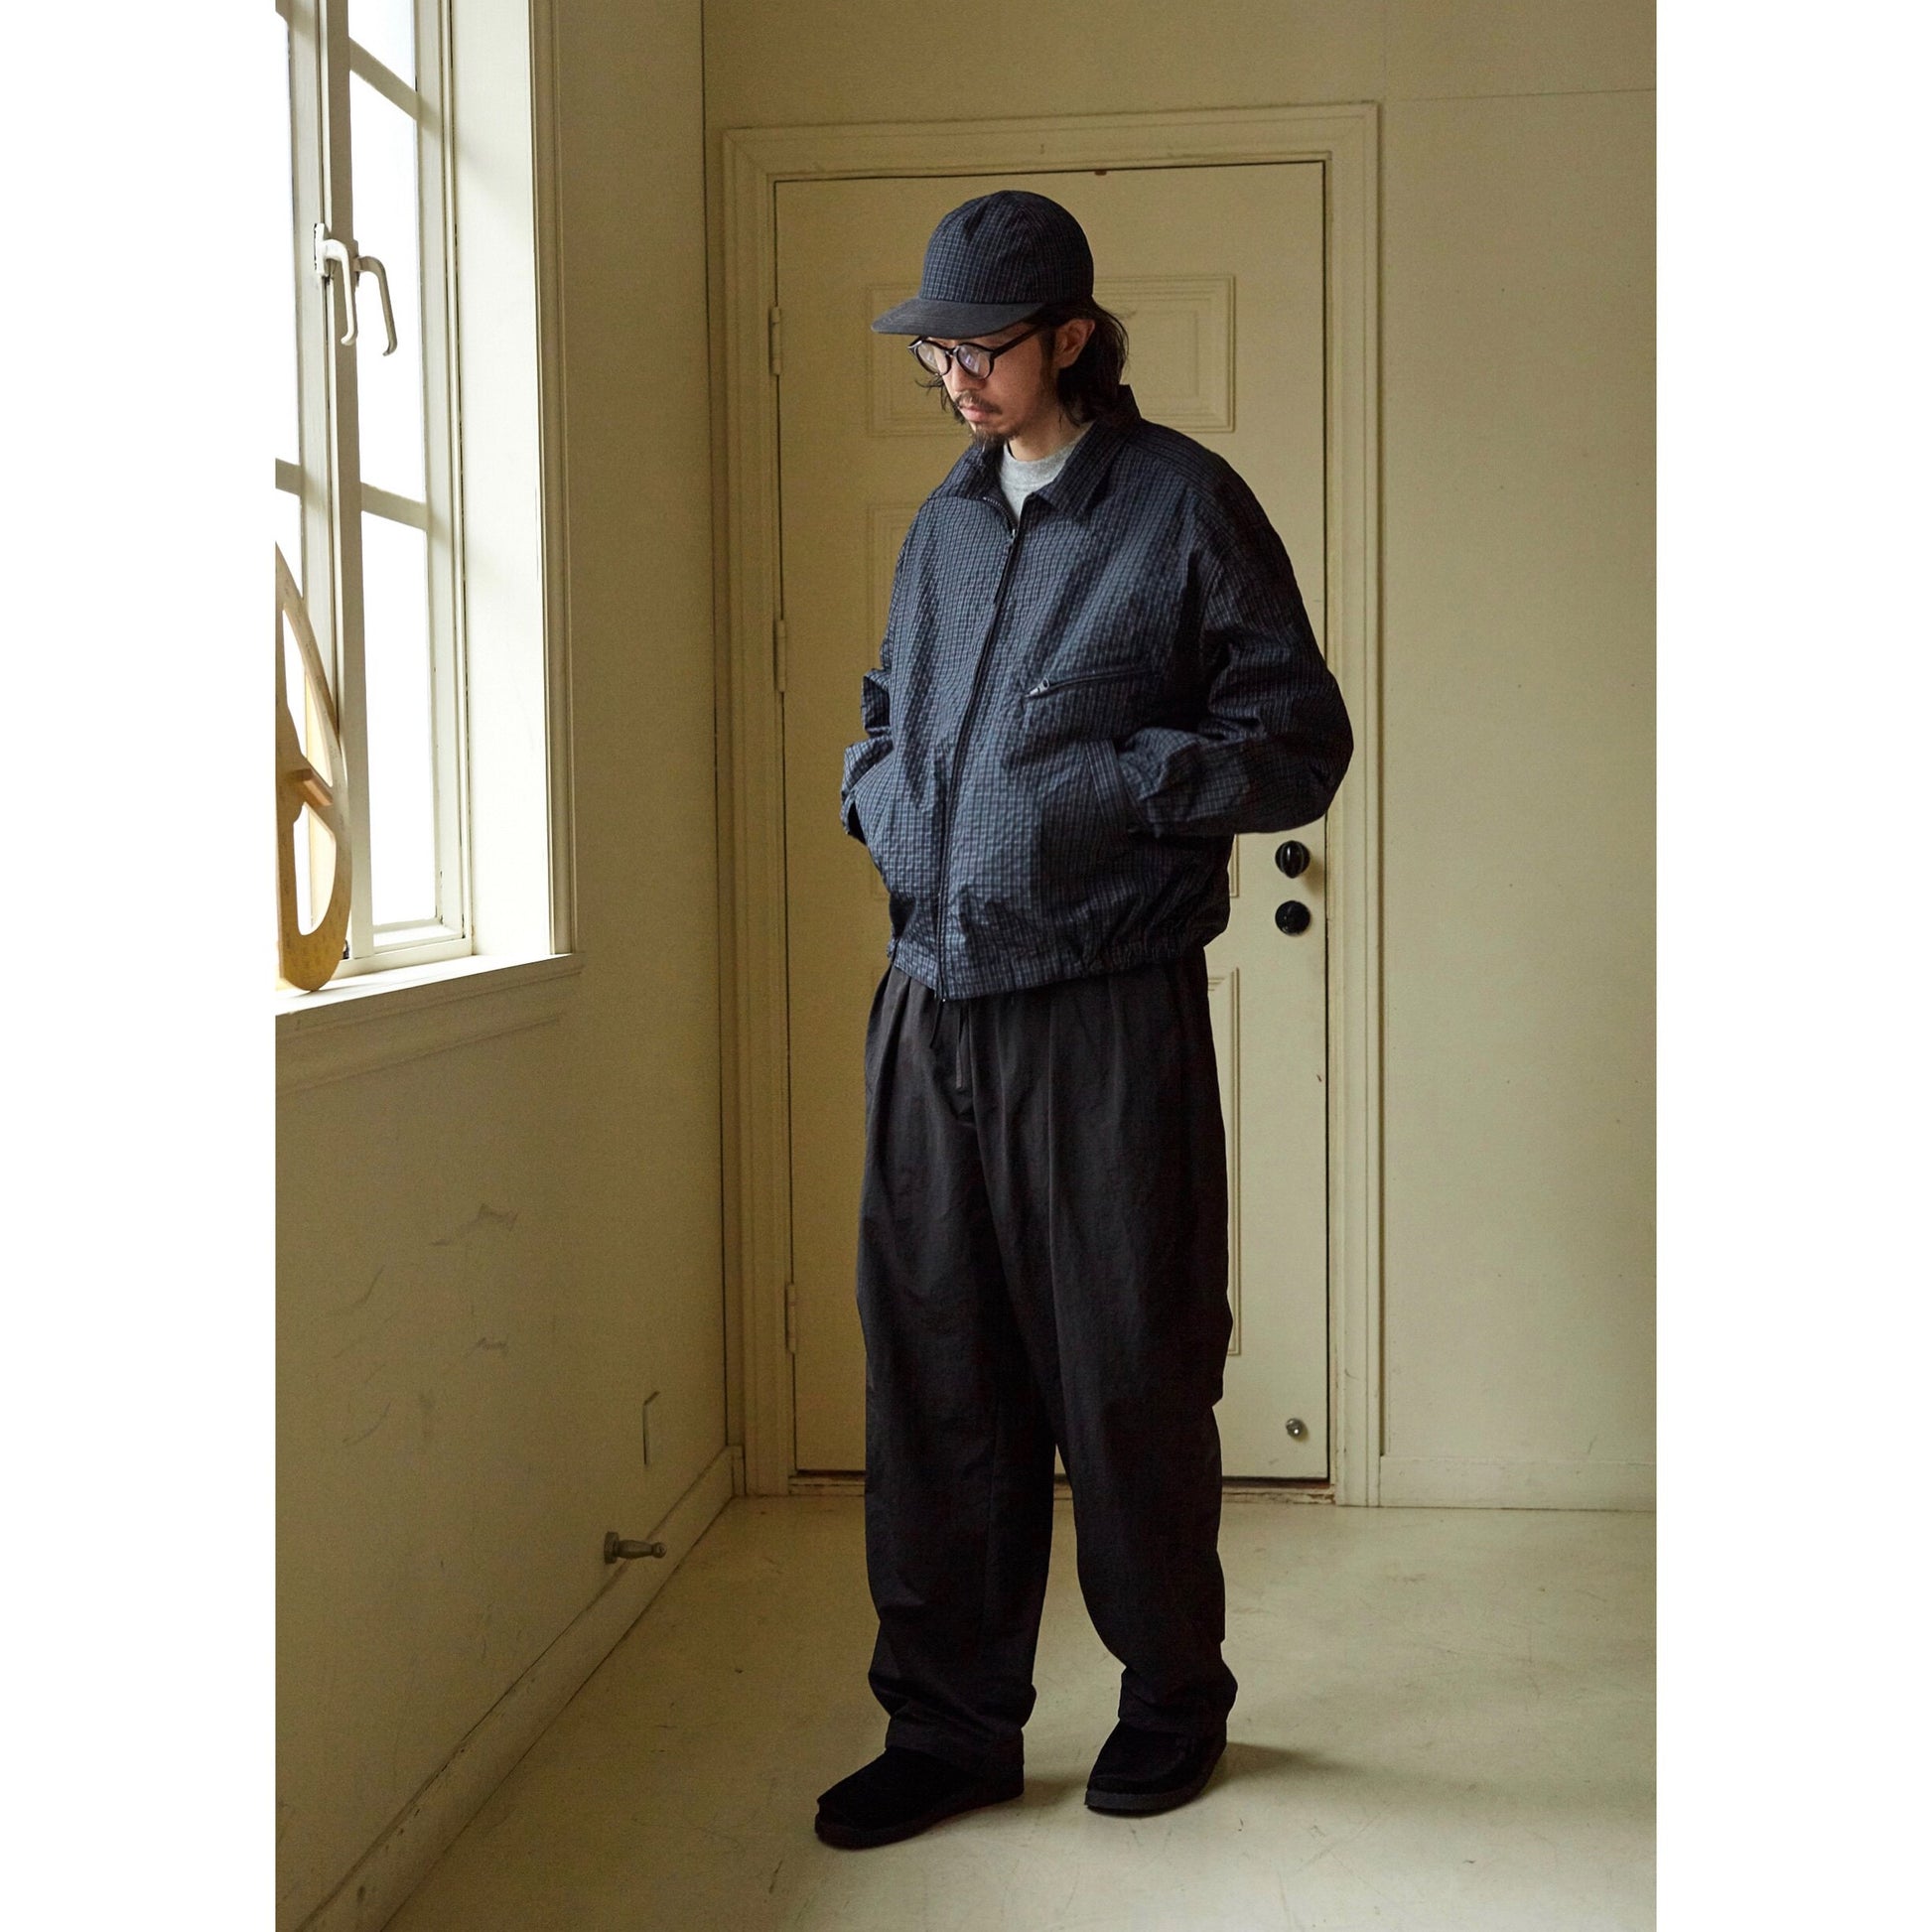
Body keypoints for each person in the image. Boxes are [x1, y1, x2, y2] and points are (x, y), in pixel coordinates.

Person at [814, 190, 1353, 1851]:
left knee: (1127, 1366)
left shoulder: (1179, 506)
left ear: (1068, 336)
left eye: (982, 348)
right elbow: (887, 709)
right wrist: (876, 795)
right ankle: (950, 1726)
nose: (956, 379)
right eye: (934, 353)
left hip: (1103, 1011)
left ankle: (1170, 1698)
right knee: (933, 1374)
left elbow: (1298, 742)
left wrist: (1113, 786)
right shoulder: (944, 524)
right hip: (930, 1005)